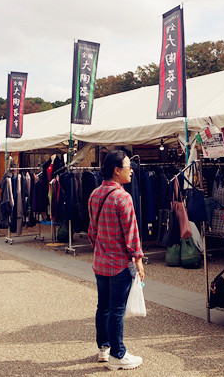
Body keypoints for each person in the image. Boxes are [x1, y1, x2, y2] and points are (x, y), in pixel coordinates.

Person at [87, 150, 144, 371]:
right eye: (128, 166)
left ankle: (104, 349)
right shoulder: (123, 197)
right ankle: (118, 355)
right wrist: (138, 259)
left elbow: (92, 230)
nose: (132, 170)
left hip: (100, 262)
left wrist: (101, 249)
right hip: (119, 263)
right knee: (117, 309)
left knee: (103, 307)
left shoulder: (94, 194)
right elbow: (131, 233)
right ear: (116, 170)